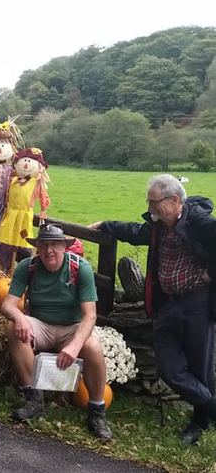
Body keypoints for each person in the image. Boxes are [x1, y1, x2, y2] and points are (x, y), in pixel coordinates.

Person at [93, 175, 216, 444]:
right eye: (148, 202)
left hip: (198, 304)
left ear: (174, 201)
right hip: (167, 304)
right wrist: (107, 226)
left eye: (154, 202)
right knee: (168, 369)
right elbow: (135, 232)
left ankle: (200, 421)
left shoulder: (201, 223)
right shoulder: (158, 226)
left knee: (200, 366)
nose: (150, 208)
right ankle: (211, 405)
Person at [0, 224, 111, 439]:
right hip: (41, 324)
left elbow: (90, 315)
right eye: (44, 244)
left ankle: (97, 411)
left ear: (64, 247)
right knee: (13, 327)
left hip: (71, 328)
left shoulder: (80, 268)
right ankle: (34, 399)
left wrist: (75, 345)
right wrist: (20, 317)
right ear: (37, 248)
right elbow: (7, 305)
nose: (49, 250)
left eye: (55, 244)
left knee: (94, 347)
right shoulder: (28, 266)